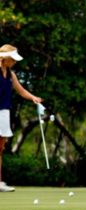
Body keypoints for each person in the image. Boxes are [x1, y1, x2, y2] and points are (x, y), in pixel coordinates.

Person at [0, 44, 43, 192]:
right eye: (12, 59)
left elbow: (20, 90)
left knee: (0, 148)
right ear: (4, 58)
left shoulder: (11, 74)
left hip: (4, 112)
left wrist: (33, 98)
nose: (14, 62)